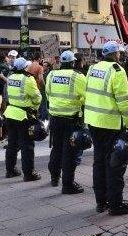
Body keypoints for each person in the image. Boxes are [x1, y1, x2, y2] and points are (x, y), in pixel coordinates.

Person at [84, 41, 128, 215]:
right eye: (119, 53)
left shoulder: (93, 68)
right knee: (115, 164)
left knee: (99, 162)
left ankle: (101, 202)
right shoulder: (117, 71)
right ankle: (115, 204)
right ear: (116, 54)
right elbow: (124, 101)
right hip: (110, 124)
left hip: (93, 122)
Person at [46, 50, 86, 194]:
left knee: (56, 148)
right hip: (71, 120)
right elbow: (84, 97)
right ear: (73, 62)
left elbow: (48, 94)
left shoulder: (51, 74)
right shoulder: (78, 76)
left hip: (55, 118)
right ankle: (68, 185)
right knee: (69, 152)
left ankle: (54, 177)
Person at [4, 57, 42, 181]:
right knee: (27, 146)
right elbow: (37, 97)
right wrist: (34, 108)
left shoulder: (10, 77)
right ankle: (29, 173)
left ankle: (10, 170)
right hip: (23, 116)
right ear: (25, 67)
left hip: (10, 113)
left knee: (12, 144)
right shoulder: (28, 79)